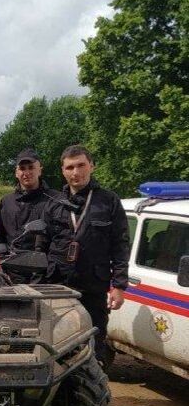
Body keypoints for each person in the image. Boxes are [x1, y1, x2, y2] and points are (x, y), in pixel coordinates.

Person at [44, 144, 130, 364]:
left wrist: (119, 286)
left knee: (93, 344)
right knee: (55, 344)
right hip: (57, 286)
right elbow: (40, 245)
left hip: (93, 286)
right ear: (63, 171)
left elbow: (120, 245)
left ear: (92, 166)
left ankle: (93, 391)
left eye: (81, 165)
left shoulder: (108, 201)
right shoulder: (53, 203)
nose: (76, 172)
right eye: (70, 167)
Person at [0, 148, 59, 256]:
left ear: (40, 170)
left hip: (46, 268)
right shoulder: (6, 202)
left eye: (31, 167)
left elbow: (62, 239)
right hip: (11, 267)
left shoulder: (55, 200)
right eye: (22, 168)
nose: (26, 173)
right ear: (16, 173)